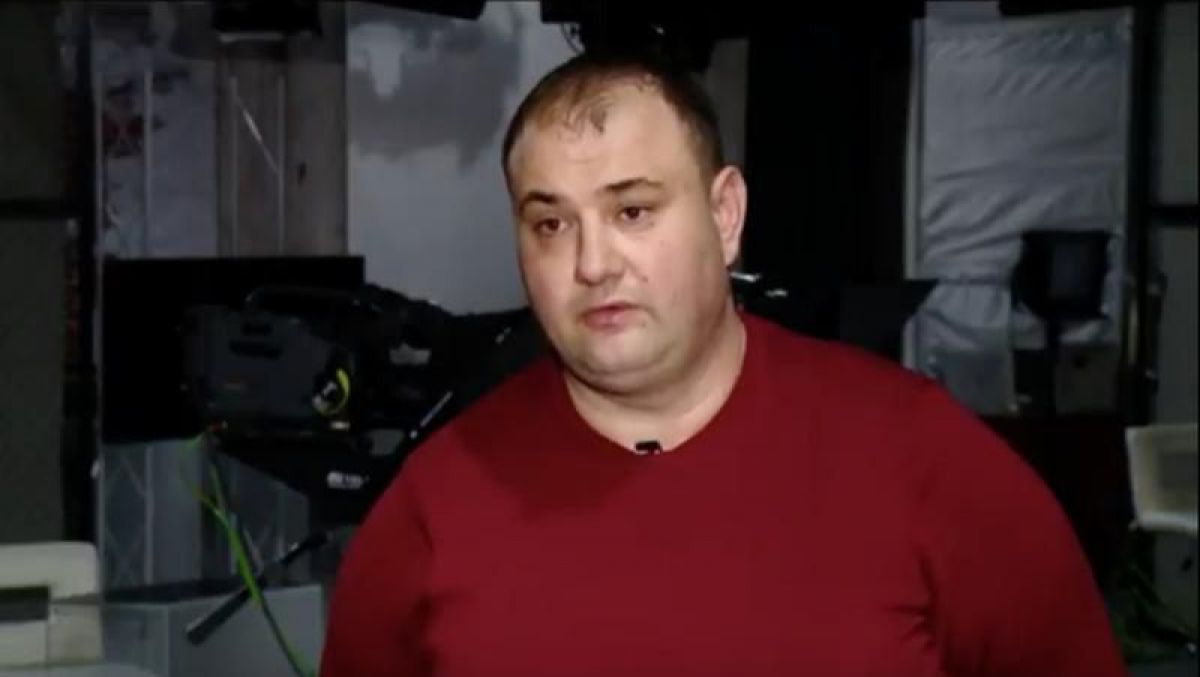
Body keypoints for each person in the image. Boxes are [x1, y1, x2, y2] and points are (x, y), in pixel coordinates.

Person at [321, 51, 1125, 676]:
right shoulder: (434, 505)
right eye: (551, 225)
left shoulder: (921, 457)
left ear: (725, 213)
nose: (593, 263)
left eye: (633, 210)